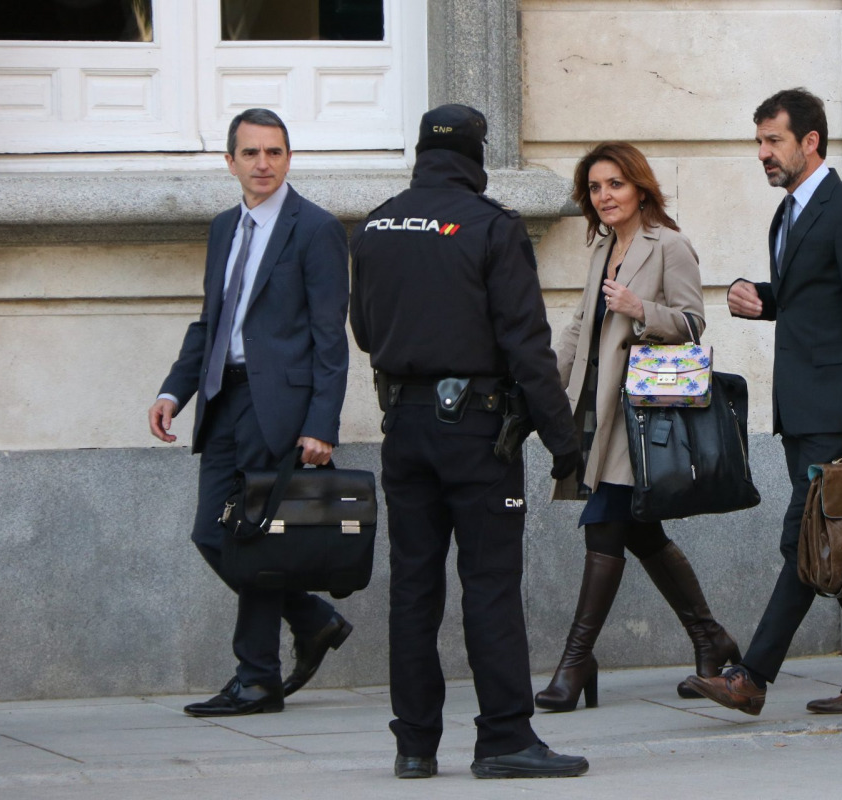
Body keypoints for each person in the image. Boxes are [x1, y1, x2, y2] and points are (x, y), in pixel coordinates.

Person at [348, 104, 589, 780]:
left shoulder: (376, 226)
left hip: (404, 427)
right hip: (478, 434)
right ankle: (504, 738)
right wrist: (564, 442)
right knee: (489, 585)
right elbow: (527, 346)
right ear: (476, 156)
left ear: (421, 152)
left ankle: (414, 745)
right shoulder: (491, 226)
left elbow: (364, 330)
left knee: (413, 588)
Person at [685, 88, 842, 715]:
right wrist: (762, 298)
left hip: (838, 411)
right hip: (801, 408)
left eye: (774, 140)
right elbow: (810, 296)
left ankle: (751, 676)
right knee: (831, 539)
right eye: (759, 141)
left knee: (804, 539)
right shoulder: (787, 215)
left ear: (810, 141)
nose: (763, 153)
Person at [147, 108, 352, 717]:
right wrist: (173, 392)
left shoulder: (315, 228)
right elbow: (210, 323)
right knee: (212, 532)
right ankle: (310, 618)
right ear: (230, 161)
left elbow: (330, 336)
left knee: (254, 539)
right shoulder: (222, 228)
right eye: (251, 153)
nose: (264, 163)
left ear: (289, 158)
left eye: (275, 152)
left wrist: (321, 423)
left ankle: (257, 678)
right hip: (223, 399)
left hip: (280, 407)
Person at [535, 142, 741, 712]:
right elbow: (580, 326)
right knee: (639, 531)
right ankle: (709, 637)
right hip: (600, 411)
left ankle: (576, 662)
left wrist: (639, 308)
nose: (604, 196)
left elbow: (693, 323)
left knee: (603, 523)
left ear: (640, 188)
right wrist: (545, 388)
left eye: (615, 184)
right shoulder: (603, 247)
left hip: (643, 414)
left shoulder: (668, 244)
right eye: (595, 187)